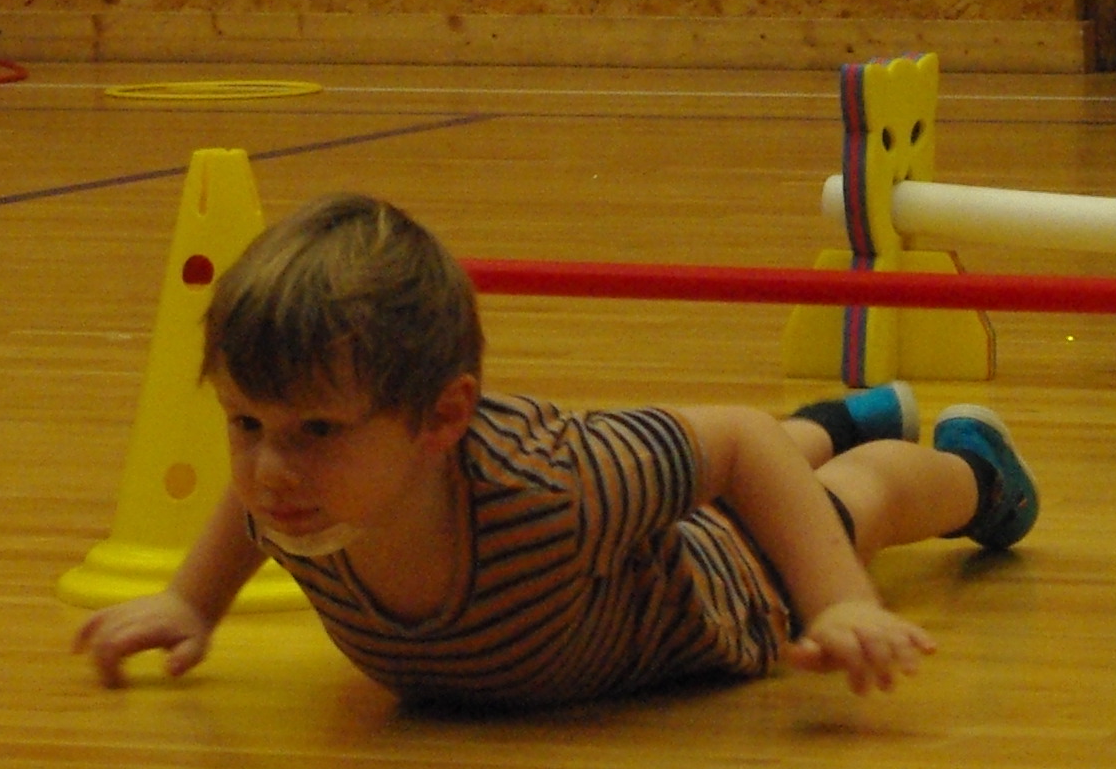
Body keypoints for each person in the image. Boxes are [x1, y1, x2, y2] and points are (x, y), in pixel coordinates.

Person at [72, 195, 1044, 710]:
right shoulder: (306, 497)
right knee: (749, 467)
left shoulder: (555, 491)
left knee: (852, 498)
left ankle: (979, 472)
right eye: (245, 424)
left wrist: (837, 603)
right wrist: (190, 602)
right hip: (608, 542)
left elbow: (738, 443)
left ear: (440, 420)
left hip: (729, 578)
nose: (268, 470)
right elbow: (252, 512)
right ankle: (843, 414)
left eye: (314, 430)